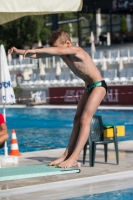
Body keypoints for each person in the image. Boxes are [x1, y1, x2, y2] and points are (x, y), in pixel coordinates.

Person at [8, 29, 107, 168]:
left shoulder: (76, 50)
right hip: (89, 87)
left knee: (85, 119)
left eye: (57, 48)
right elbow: (37, 55)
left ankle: (74, 157)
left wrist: (33, 50)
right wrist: (19, 51)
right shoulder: (64, 53)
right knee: (77, 119)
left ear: (67, 43)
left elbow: (58, 51)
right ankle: (66, 155)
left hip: (98, 85)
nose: (55, 51)